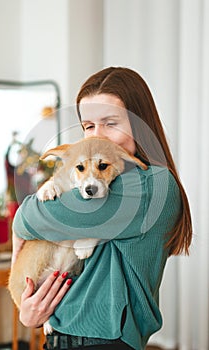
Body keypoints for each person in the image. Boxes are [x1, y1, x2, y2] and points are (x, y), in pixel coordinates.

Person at [12, 67, 192, 350]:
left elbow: (29, 218)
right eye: (89, 126)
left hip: (104, 341)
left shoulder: (152, 185)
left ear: (140, 123)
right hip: (57, 338)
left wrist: (22, 222)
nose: (99, 137)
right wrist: (28, 310)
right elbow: (30, 218)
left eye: (111, 123)